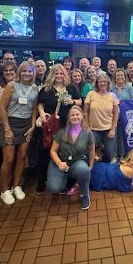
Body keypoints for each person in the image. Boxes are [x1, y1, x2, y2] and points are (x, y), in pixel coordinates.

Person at [36, 64, 82, 195]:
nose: (59, 76)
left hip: (67, 125)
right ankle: (41, 181)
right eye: (56, 73)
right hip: (51, 126)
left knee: (66, 152)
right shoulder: (46, 89)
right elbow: (40, 104)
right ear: (52, 75)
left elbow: (80, 101)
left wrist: (72, 102)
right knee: (45, 151)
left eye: (62, 73)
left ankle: (67, 181)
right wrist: (42, 113)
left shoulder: (71, 88)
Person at [0, 61, 38, 205]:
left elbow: (34, 108)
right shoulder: (11, 86)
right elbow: (2, 107)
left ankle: (15, 186)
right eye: (24, 71)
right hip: (10, 123)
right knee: (8, 159)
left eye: (30, 71)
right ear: (20, 72)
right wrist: (7, 128)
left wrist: (32, 126)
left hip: (26, 124)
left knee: (21, 157)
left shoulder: (34, 88)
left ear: (33, 73)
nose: (27, 74)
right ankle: (4, 190)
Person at [47, 105, 95, 210]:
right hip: (59, 163)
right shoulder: (61, 132)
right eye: (72, 115)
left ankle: (84, 194)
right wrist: (59, 163)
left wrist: (90, 167)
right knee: (54, 187)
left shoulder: (87, 133)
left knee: (84, 170)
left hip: (77, 162)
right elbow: (53, 151)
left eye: (77, 114)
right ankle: (64, 183)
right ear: (69, 117)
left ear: (82, 116)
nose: (75, 117)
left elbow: (92, 151)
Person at [83, 74, 119, 163]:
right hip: (93, 129)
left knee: (108, 153)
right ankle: (90, 168)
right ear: (97, 83)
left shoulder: (113, 96)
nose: (102, 83)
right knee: (88, 151)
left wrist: (113, 129)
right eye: (100, 82)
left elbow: (115, 114)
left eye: (104, 81)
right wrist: (87, 126)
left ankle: (104, 168)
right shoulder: (91, 94)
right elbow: (85, 112)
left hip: (108, 128)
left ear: (108, 83)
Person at [0, 62, 17, 171]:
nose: (8, 72)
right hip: (1, 125)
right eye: (6, 70)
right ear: (2, 73)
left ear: (16, 72)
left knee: (16, 155)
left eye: (11, 70)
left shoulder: (21, 86)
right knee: (3, 156)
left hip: (17, 125)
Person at [111, 68, 133, 163]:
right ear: (115, 77)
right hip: (113, 116)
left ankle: (122, 156)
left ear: (125, 77)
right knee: (114, 136)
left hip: (126, 117)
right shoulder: (111, 88)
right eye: (118, 76)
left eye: (122, 75)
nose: (120, 77)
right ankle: (114, 156)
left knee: (123, 136)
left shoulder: (129, 89)